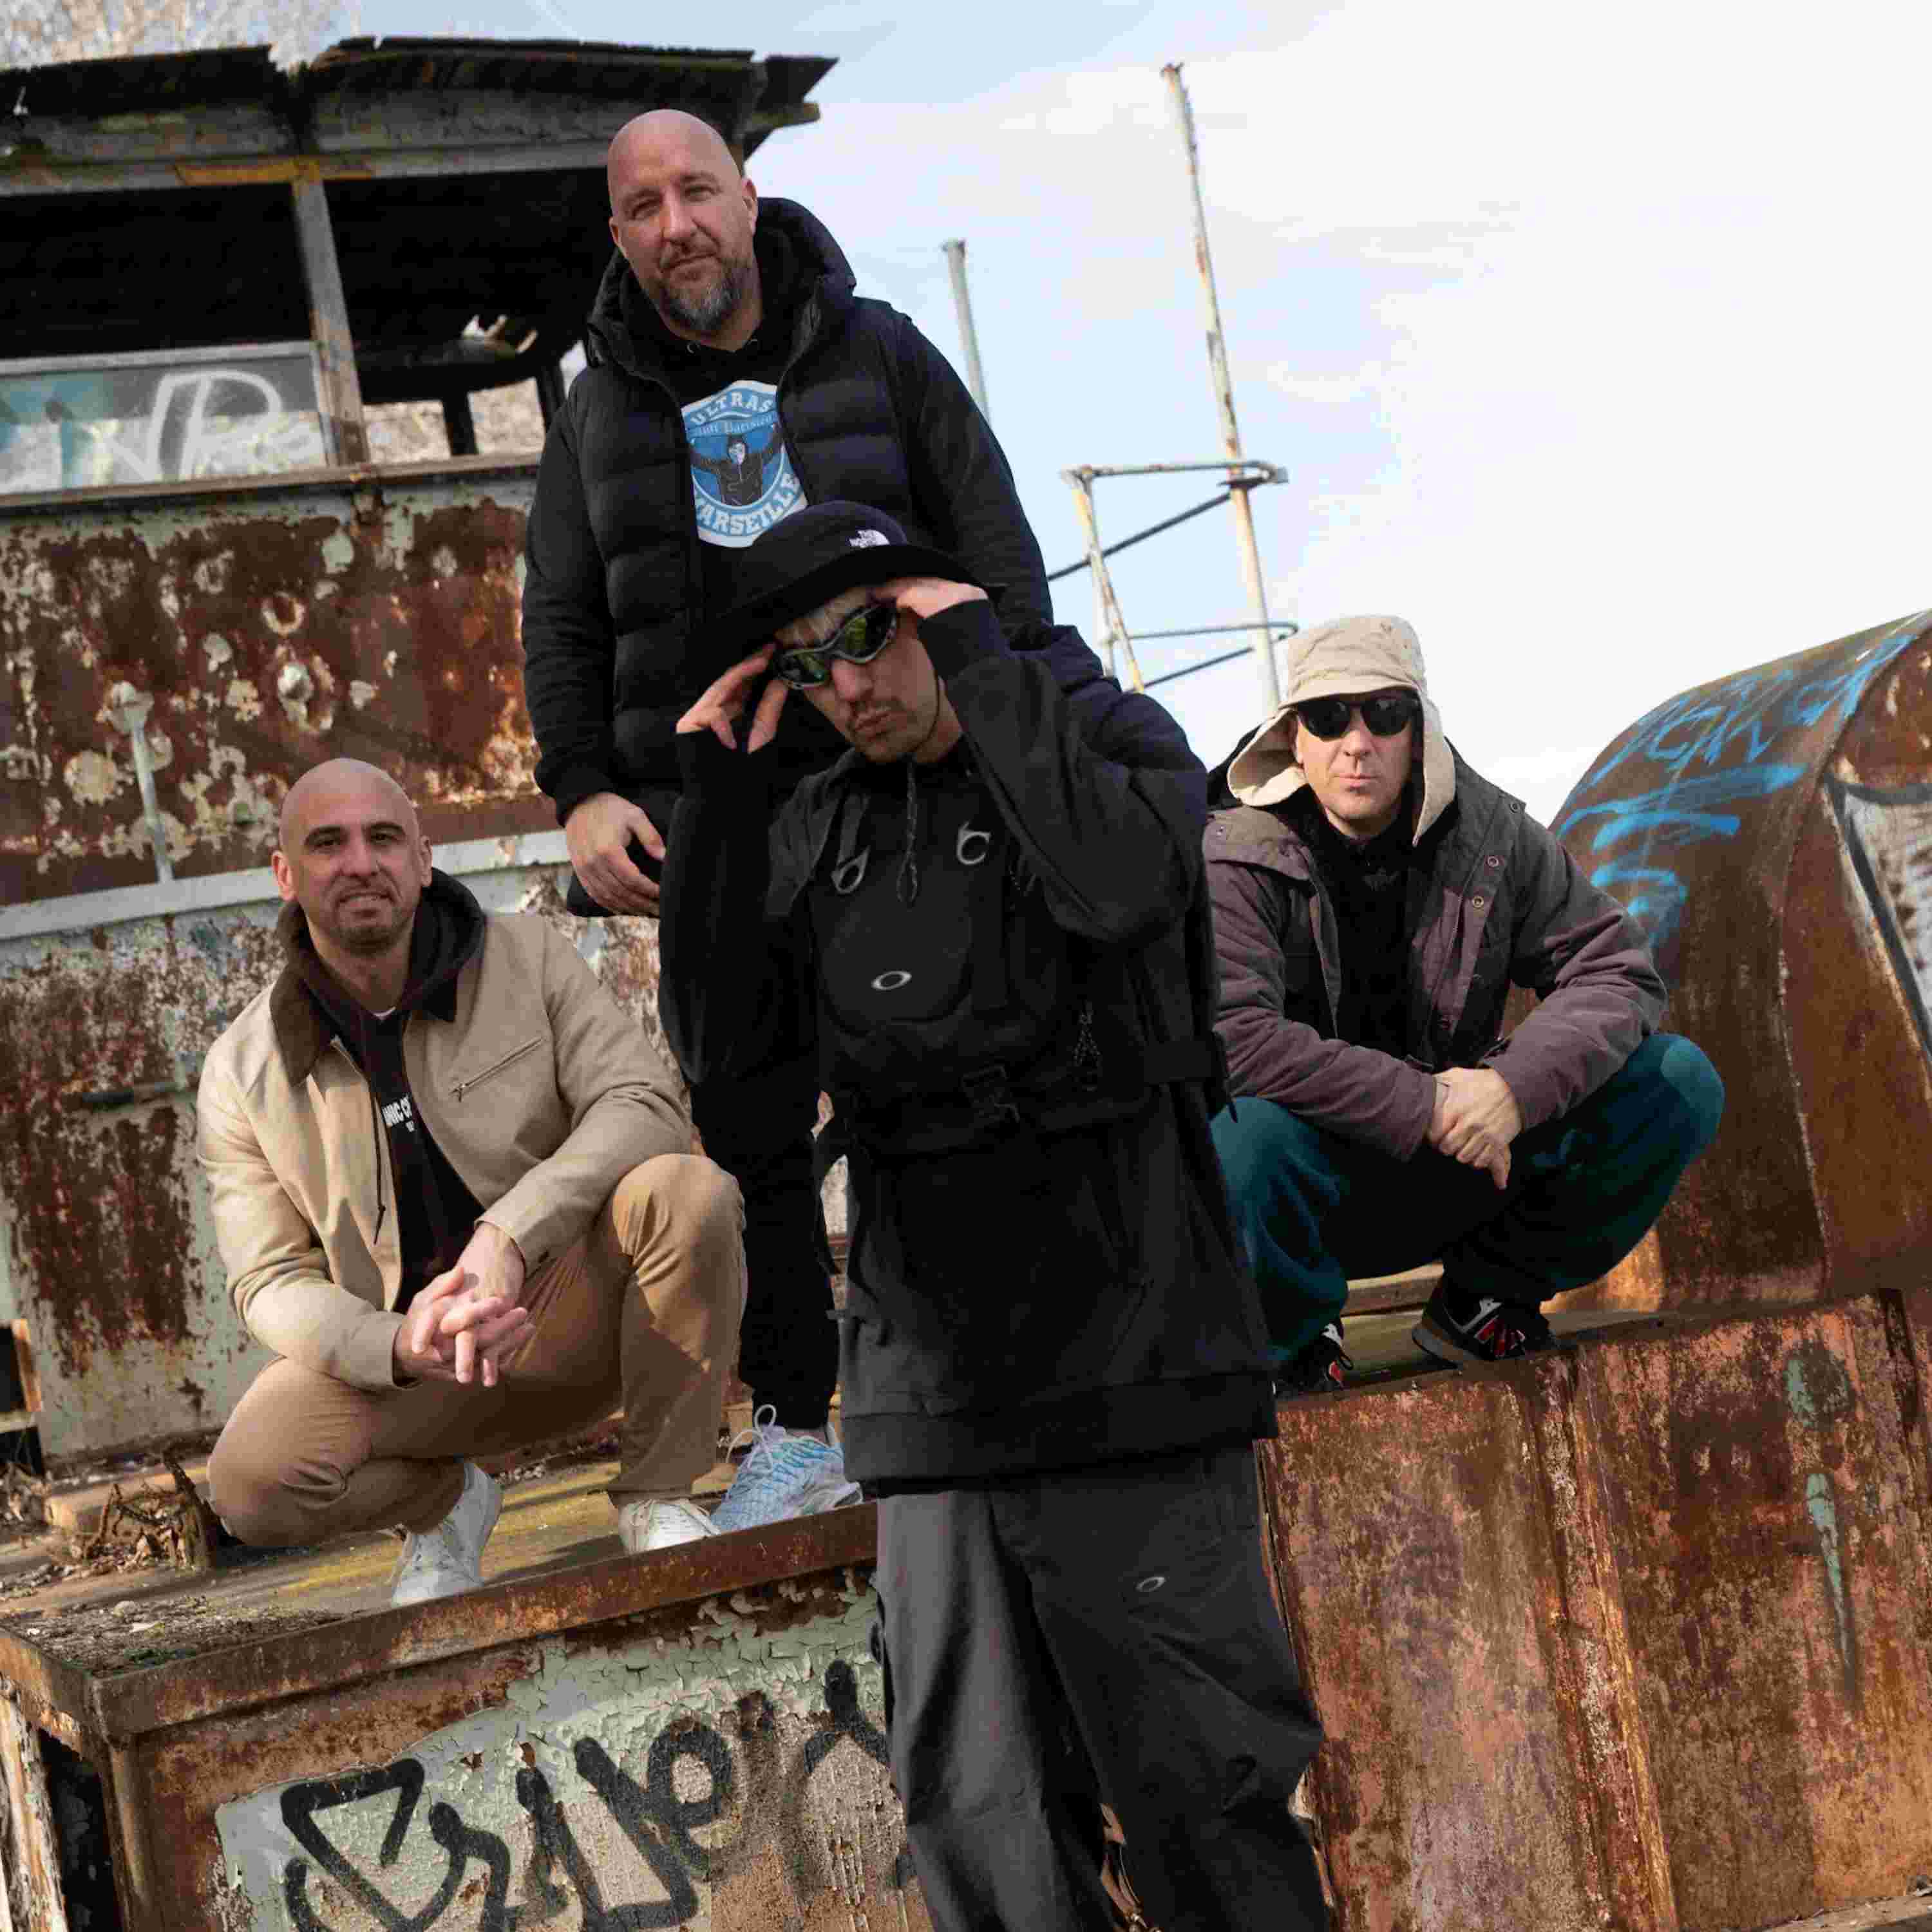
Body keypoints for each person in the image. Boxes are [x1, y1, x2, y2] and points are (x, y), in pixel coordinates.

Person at [658, 500, 1330, 1932]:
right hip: (931, 1388)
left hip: (1132, 1349)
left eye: (871, 634)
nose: (847, 685)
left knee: (1205, 1797)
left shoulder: (1113, 745)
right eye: (805, 661)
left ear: (939, 608)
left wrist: (979, 658)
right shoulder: (815, 822)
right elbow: (733, 1074)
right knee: (980, 1811)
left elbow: (1119, 889)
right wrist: (716, 797)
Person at [520, 108, 1052, 1530]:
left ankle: (977, 1384)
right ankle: (799, 1431)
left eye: (698, 191)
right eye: (644, 207)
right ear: (620, 235)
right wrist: (583, 790)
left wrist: (1010, 723)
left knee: (944, 1076)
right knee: (746, 1122)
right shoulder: (595, 411)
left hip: (899, 785)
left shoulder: (878, 352)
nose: (676, 225)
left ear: (750, 199)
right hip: (712, 808)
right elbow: (561, 619)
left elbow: (995, 549)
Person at [199, 759, 746, 1605]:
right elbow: (268, 1281)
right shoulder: (242, 1071)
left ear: (423, 859)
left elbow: (642, 1102)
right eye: (328, 844)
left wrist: (508, 1238)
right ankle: (449, 1504)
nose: (360, 863)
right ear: (285, 874)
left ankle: (659, 1494)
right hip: (415, 1372)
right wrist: (393, 1345)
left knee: (688, 1192)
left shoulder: (528, 957)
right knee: (249, 1484)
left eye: (384, 838)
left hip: (569, 1312)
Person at [1205, 615, 1724, 1388]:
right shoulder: (1232, 853)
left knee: (1677, 1080)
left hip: (1469, 1163)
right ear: (1293, 740)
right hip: (1310, 1186)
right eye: (1328, 717)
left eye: (1385, 714)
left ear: (1419, 732)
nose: (1358, 743)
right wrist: (1426, 1103)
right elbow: (1235, 1037)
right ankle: (1298, 1332)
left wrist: (1511, 1090)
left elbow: (1615, 970)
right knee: (1238, 1138)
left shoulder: (1494, 837)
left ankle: (1485, 1299)